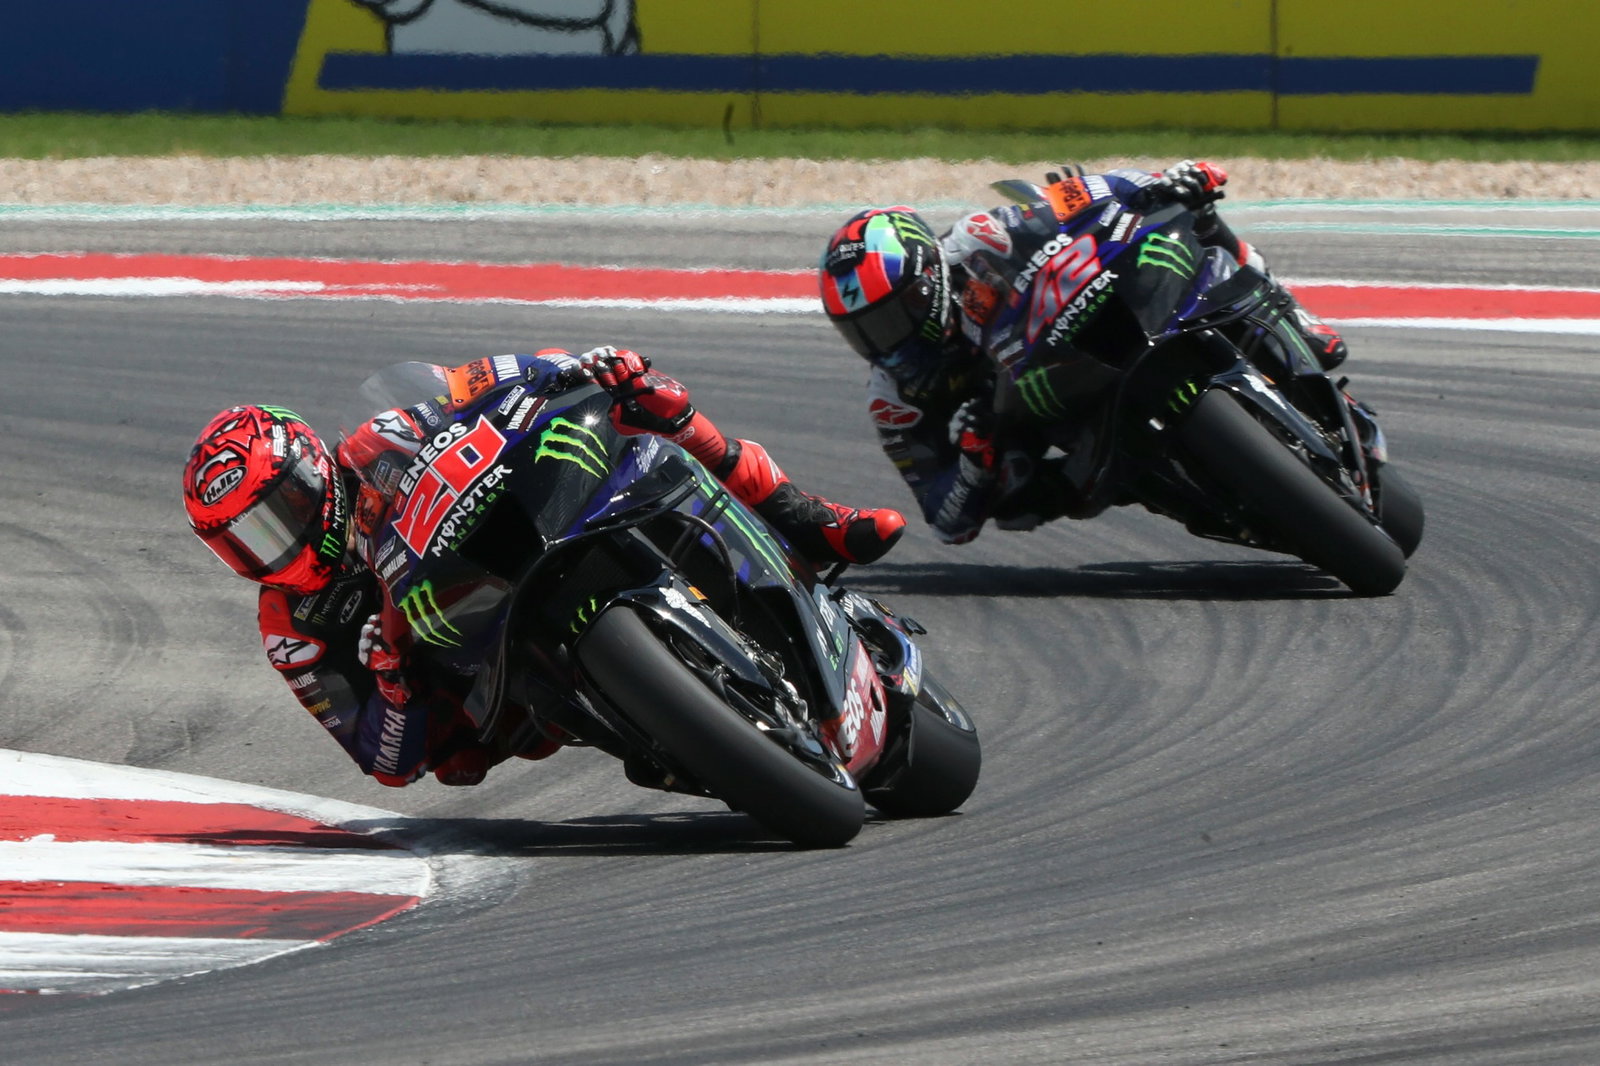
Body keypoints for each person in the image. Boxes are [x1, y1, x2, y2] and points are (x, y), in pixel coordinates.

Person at [180, 348, 905, 789]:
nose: (277, 546)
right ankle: (655, 721)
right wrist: (396, 689)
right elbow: (385, 762)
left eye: (278, 514)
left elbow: (480, 380)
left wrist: (574, 367)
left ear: (313, 471)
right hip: (477, 681)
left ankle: (807, 519)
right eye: (245, 543)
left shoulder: (382, 437)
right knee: (458, 767)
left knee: (647, 407)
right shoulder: (289, 624)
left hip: (526, 526)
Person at [817, 159, 1349, 546]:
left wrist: (1162, 182)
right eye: (864, 331)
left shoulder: (981, 238)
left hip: (1070, 334)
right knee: (1016, 498)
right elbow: (944, 520)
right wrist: (976, 464)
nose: (884, 340)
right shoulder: (894, 396)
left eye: (890, 318)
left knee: (1196, 218)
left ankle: (1298, 318)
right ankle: (1165, 484)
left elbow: (1075, 195)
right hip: (1037, 420)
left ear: (928, 279)